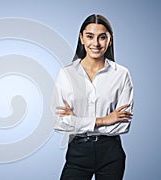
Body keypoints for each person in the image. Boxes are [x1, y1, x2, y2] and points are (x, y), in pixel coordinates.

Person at [51, 14, 134, 180]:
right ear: (81, 38)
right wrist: (104, 120)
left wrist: (76, 120)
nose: (95, 44)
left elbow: (121, 126)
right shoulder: (66, 74)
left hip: (111, 153)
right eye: (90, 36)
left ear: (109, 40)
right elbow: (59, 123)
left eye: (102, 37)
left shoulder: (121, 74)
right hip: (78, 152)